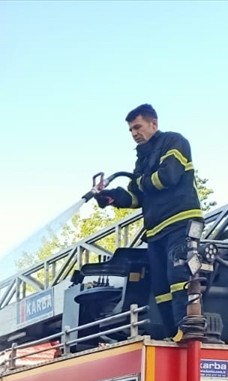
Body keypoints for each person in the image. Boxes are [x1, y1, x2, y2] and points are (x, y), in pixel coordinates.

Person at [93, 103, 204, 340]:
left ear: (154, 124)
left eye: (138, 127)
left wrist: (139, 183)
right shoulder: (141, 161)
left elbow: (168, 177)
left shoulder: (174, 142)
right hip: (156, 231)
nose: (134, 133)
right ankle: (172, 333)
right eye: (131, 130)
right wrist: (110, 197)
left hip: (180, 222)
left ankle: (187, 331)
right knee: (161, 288)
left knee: (179, 278)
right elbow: (136, 197)